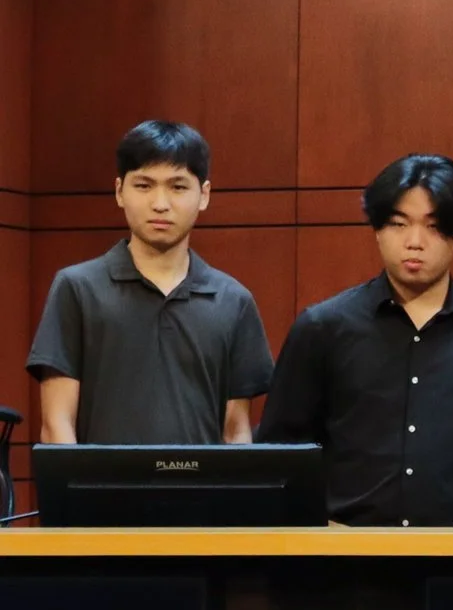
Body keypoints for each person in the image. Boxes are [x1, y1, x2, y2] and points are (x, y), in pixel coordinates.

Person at [258, 155, 453, 526]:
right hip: (345, 561)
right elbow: (280, 448)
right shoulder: (323, 327)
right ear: (377, 229)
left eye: (434, 226)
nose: (414, 242)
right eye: (398, 223)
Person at [29, 120, 273, 446]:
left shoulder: (233, 301)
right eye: (144, 186)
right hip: (103, 495)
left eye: (178, 187)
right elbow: (57, 424)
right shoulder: (77, 289)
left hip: (202, 497)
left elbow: (236, 431)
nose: (160, 203)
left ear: (204, 195)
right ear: (119, 192)